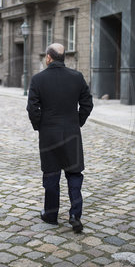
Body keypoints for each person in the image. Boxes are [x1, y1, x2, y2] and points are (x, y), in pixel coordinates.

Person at [26, 43, 93, 233]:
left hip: (49, 135)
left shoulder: (38, 79)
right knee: (74, 174)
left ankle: (51, 215)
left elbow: (32, 109)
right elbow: (87, 104)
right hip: (71, 133)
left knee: (51, 174)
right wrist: (76, 122)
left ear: (48, 57)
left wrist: (40, 126)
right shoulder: (77, 77)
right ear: (63, 58)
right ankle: (75, 215)